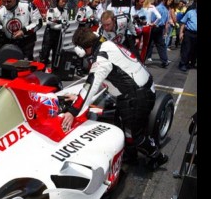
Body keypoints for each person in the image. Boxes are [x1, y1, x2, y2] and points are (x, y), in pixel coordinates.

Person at [59, 26, 168, 170]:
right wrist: (78, 97)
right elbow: (101, 80)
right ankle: (131, 156)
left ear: (85, 47)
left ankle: (158, 156)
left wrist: (73, 111)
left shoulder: (102, 57)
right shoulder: (106, 44)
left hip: (138, 95)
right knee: (121, 125)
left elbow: (92, 84)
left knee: (134, 136)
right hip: (136, 91)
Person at [39, 0, 70, 70]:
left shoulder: (66, 11)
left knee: (56, 53)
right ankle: (41, 70)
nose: (64, 3)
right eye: (62, 1)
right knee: (45, 53)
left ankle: (54, 70)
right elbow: (49, 21)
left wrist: (64, 25)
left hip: (59, 34)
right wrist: (60, 22)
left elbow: (67, 22)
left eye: (65, 2)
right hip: (50, 34)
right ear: (58, 0)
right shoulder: (52, 10)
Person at [177, 0, 197, 72]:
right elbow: (183, 23)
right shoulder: (190, 12)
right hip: (189, 33)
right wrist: (181, 33)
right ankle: (183, 64)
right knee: (187, 49)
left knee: (194, 50)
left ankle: (191, 63)